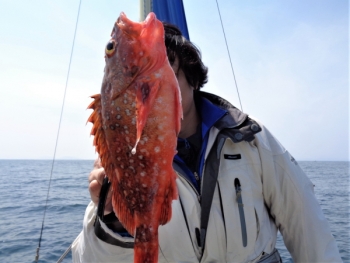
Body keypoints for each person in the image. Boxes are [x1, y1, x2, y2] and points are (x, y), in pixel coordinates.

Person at [72, 23, 342, 263]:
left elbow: (307, 228)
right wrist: (113, 223)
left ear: (192, 77)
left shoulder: (251, 138)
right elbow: (89, 258)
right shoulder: (123, 158)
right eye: (145, 77)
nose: (153, 85)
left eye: (167, 66)